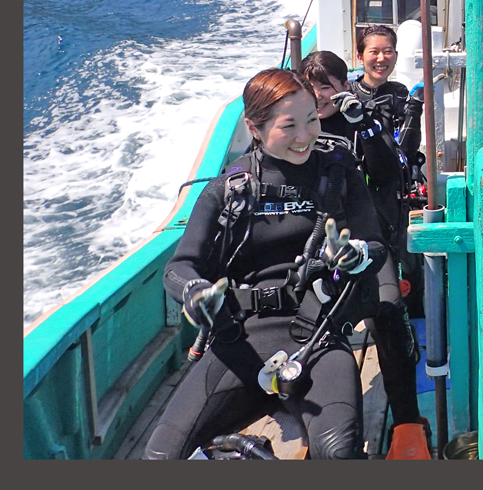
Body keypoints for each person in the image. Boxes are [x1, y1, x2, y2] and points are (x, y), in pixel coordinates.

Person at [145, 69, 386, 459]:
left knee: (339, 452)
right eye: (288, 125)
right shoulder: (229, 189)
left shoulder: (339, 173)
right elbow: (180, 266)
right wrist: (196, 292)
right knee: (160, 457)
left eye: (312, 119)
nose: (305, 136)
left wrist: (355, 256)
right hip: (241, 342)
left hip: (317, 336)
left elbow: (375, 246)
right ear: (254, 127)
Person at [298, 50, 425, 453]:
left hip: (368, 241)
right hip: (315, 246)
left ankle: (407, 422)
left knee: (388, 313)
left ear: (342, 86)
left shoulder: (361, 120)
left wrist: (363, 124)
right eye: (310, 87)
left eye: (326, 87)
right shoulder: (295, 131)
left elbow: (393, 170)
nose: (318, 96)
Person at [348, 25, 427, 321]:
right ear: (360, 56)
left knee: (406, 262)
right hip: (357, 192)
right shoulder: (348, 94)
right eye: (374, 52)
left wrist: (413, 113)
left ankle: (413, 320)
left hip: (393, 193)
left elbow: (404, 151)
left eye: (388, 51)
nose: (382, 58)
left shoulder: (399, 94)